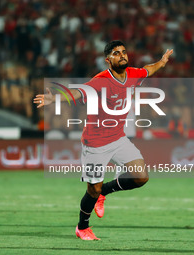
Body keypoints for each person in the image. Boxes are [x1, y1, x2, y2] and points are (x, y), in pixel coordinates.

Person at [34, 40, 173, 240]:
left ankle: (105, 192)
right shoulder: (100, 80)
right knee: (92, 189)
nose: (122, 55)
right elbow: (78, 92)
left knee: (141, 176)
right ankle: (82, 228)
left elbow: (148, 70)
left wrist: (162, 62)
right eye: (117, 53)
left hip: (118, 138)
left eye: (124, 51)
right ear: (108, 60)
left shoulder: (133, 74)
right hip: (95, 143)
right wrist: (54, 98)